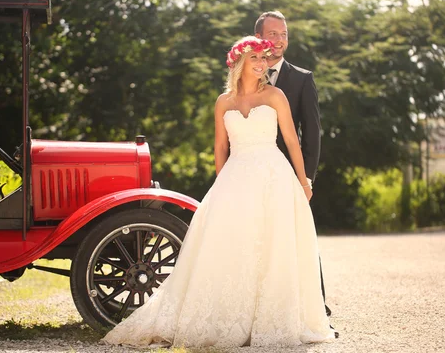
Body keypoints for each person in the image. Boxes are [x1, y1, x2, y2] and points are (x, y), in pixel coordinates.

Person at [102, 36, 336, 348]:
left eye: (264, 59)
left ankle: (267, 319)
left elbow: (292, 141)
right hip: (235, 178)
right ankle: (229, 317)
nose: (261, 64)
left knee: (271, 247)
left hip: (273, 177)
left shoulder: (275, 95)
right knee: (232, 246)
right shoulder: (223, 102)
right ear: (239, 62)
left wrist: (304, 180)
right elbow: (220, 146)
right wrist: (221, 185)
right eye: (254, 58)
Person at [254, 10, 332, 316]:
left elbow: (311, 136)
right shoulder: (245, 76)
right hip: (250, 174)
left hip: (288, 175)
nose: (279, 40)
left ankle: (316, 308)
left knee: (299, 240)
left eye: (284, 34)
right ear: (258, 37)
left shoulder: (302, 79)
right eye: (272, 34)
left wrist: (306, 180)